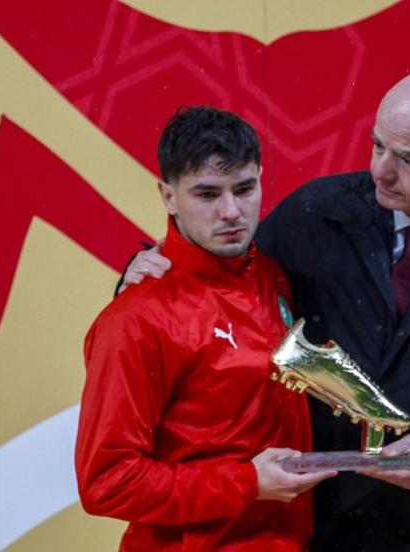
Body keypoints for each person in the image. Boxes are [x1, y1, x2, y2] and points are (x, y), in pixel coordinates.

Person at [121, 66, 410, 550]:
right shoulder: (317, 213)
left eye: (408, 161)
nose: (380, 171)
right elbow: (227, 277)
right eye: (377, 145)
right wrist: (147, 265)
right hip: (337, 531)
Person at [75, 106, 335, 551]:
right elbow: (107, 482)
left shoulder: (271, 277)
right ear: (168, 196)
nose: (231, 211)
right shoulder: (135, 320)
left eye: (244, 188)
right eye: (207, 194)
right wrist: (246, 482)